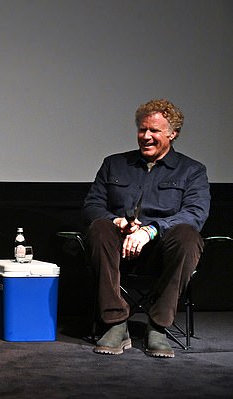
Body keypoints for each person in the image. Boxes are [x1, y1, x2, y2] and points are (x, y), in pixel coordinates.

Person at [83, 99, 210, 358]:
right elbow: (92, 204)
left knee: (188, 235)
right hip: (117, 249)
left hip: (163, 250)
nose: (146, 136)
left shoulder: (192, 171)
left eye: (154, 131)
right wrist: (115, 220)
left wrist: (151, 230)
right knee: (99, 227)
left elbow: (196, 213)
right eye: (142, 130)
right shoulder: (114, 164)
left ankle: (158, 326)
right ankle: (116, 322)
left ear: (172, 134)